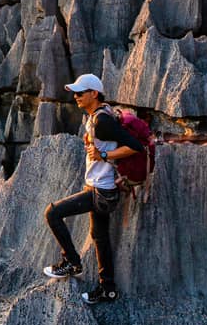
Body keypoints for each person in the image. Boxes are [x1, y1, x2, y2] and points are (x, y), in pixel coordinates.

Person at [43, 73, 144, 304]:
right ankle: (107, 288)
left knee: (52, 212)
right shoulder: (96, 117)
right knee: (100, 237)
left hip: (102, 191)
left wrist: (104, 154)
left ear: (94, 94)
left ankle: (72, 263)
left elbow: (136, 147)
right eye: (75, 93)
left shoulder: (102, 122)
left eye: (80, 93)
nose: (76, 97)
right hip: (100, 188)